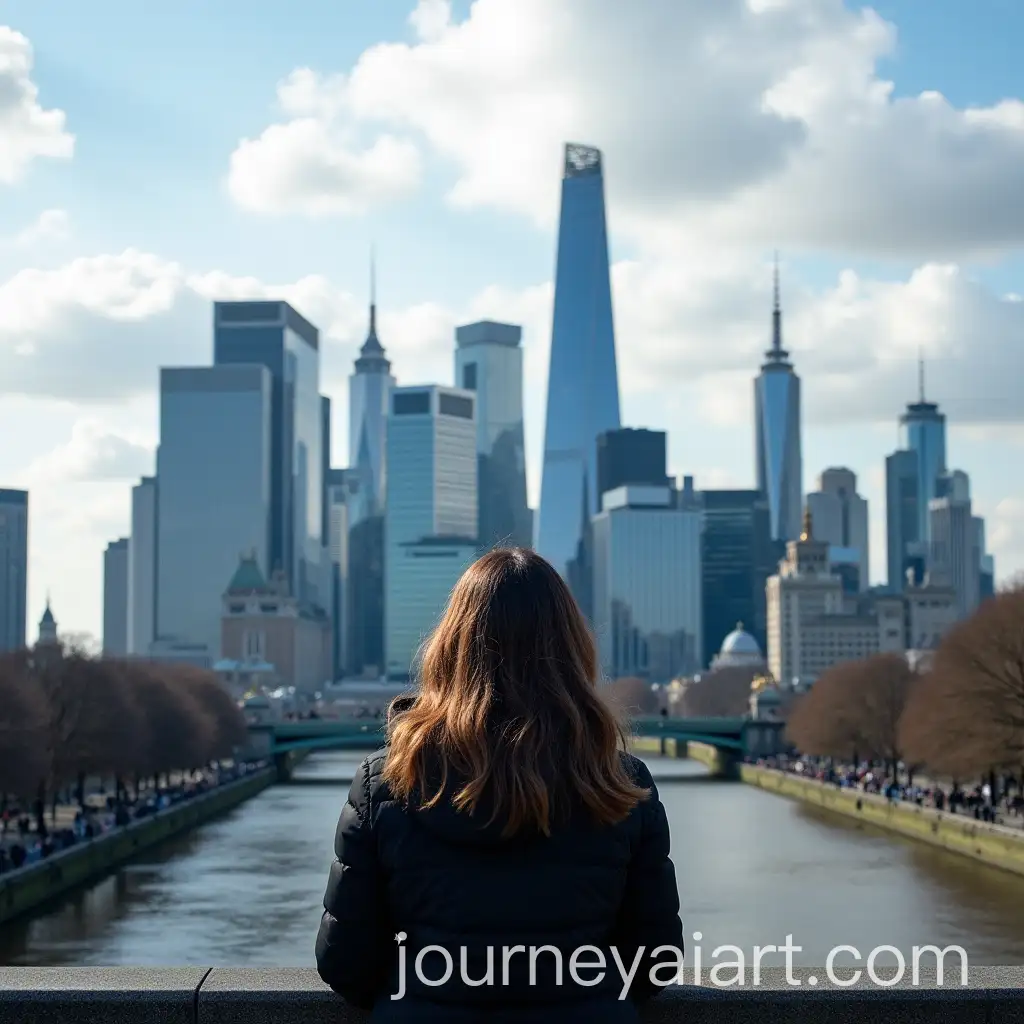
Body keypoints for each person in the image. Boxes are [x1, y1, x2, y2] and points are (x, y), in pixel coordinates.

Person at [315, 547, 683, 1023]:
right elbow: (653, 963)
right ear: (573, 649)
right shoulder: (621, 784)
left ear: (451, 648)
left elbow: (347, 963)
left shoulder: (388, 782)